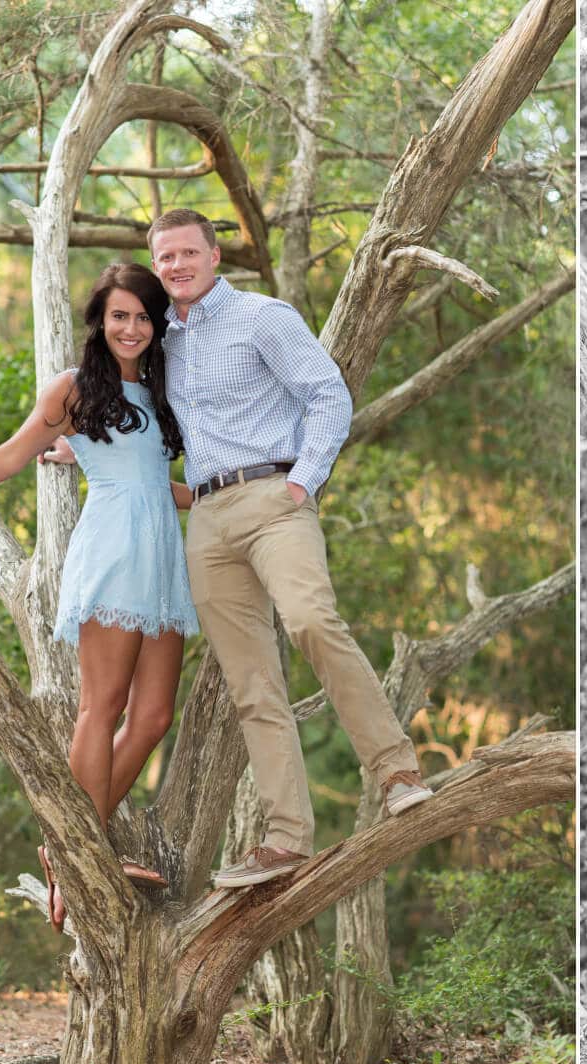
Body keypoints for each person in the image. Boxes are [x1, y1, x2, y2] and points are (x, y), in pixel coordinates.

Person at [0, 263, 198, 932]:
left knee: (152, 716)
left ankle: (64, 844)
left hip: (162, 554)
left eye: (144, 316)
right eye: (120, 315)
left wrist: (225, 489)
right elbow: (9, 454)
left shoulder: (163, 388)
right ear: (99, 320)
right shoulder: (73, 389)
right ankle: (84, 858)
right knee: (101, 704)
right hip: (113, 548)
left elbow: (154, 479)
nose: (132, 328)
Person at [148, 207, 431, 888]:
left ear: (215, 256)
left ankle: (396, 771)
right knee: (250, 684)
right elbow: (114, 396)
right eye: (165, 258)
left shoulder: (263, 317)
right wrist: (71, 442)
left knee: (310, 620)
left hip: (276, 499)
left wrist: (303, 482)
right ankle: (286, 837)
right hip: (207, 518)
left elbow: (327, 394)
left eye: (188, 252)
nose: (177, 266)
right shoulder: (158, 338)